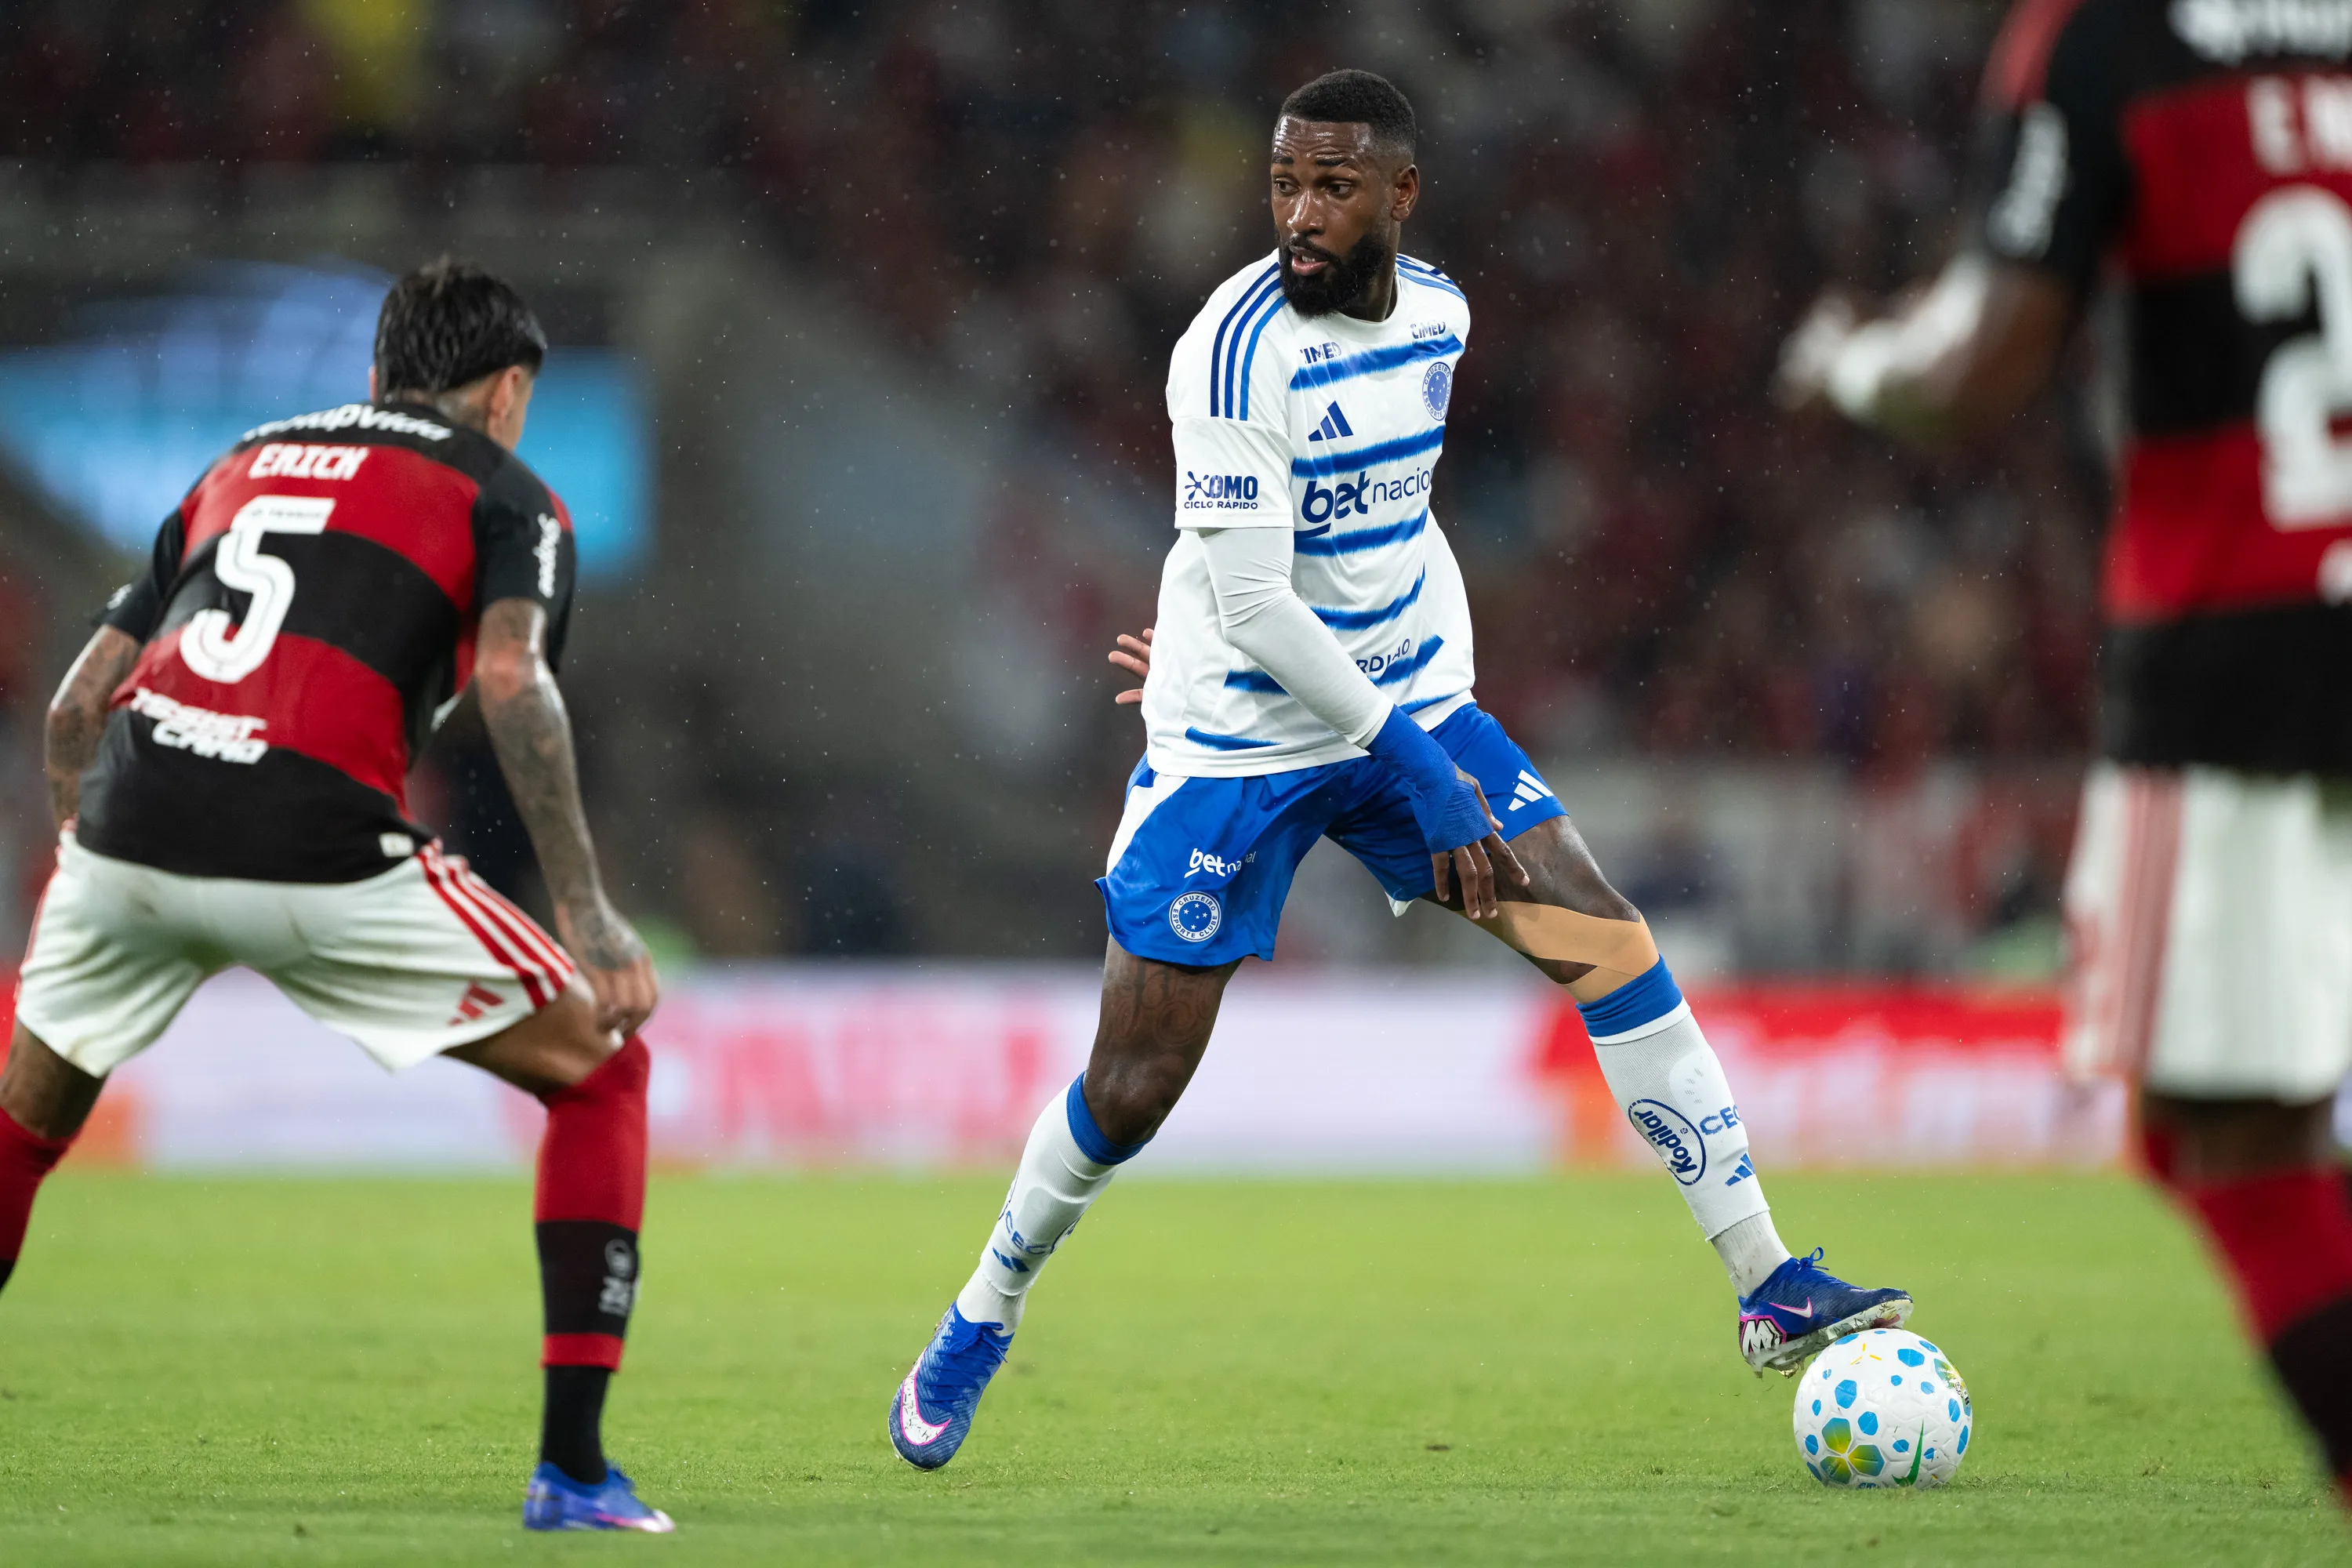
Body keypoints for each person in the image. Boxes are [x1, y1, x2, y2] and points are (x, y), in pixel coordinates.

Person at [887, 69, 1912, 1472]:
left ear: (1400, 196)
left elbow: (1388, 528)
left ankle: (1766, 1281)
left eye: (1333, 186)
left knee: (1608, 946)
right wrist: (1364, 732)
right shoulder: (1226, 355)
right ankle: (984, 1305)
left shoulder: (1441, 317)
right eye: (1284, 185)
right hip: (1240, 744)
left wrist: (1433, 720)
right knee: (1133, 1083)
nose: (1300, 214)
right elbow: (1250, 603)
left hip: (1404, 704)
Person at [1777, 0, 2352, 1502]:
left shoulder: (2107, 37)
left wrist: (1849, 361)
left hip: (2242, 655)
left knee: (2222, 1133)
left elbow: (1979, 362)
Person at [0, 259, 673, 1533]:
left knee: (24, 1132)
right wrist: (590, 918)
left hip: (131, 827)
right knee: (602, 1071)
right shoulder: (509, 494)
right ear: (511, 392)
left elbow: (76, 704)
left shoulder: (240, 459)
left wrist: (98, 848)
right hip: (312, 832)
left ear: (377, 376)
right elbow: (517, 685)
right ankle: (574, 1472)